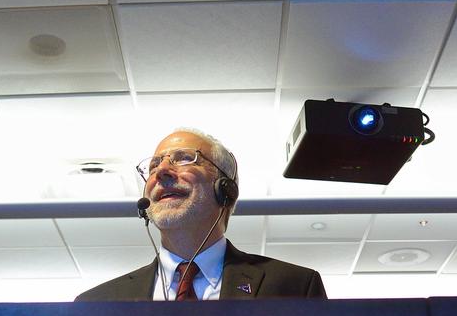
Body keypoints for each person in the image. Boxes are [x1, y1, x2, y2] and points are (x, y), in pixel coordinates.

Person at [76, 129, 326, 301]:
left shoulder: (295, 287)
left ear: (225, 190)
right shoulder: (96, 303)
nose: (161, 170)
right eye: (153, 165)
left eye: (185, 159)